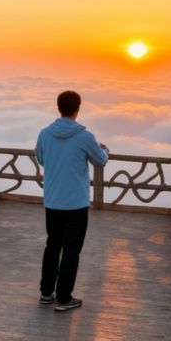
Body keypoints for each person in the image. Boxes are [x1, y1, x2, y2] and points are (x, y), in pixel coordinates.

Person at [35, 90, 108, 312]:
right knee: (71, 250)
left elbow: (41, 158)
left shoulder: (45, 133)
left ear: (59, 107)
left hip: (53, 200)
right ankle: (64, 298)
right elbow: (99, 161)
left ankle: (46, 293)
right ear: (77, 109)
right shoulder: (85, 137)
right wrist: (105, 150)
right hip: (76, 203)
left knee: (52, 246)